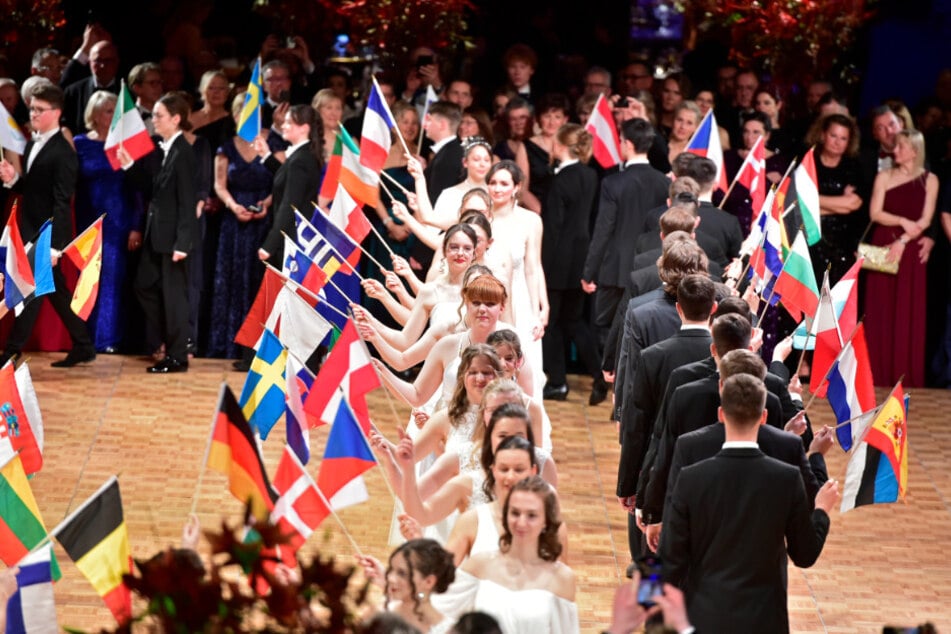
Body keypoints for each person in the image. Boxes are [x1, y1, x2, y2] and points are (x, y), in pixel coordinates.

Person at [659, 373, 839, 632]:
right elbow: (804, 555)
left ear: (721, 414)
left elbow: (669, 563)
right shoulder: (787, 479)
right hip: (764, 620)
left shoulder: (690, 479)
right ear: (764, 417)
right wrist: (821, 510)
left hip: (704, 618)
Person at [0, 83, 96, 368]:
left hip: (45, 235)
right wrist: (11, 178)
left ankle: (11, 352)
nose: (33, 114)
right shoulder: (32, 143)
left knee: (30, 290)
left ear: (56, 112)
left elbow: (62, 202)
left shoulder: (64, 154)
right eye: (31, 108)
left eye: (39, 110)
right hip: (28, 226)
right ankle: (84, 344)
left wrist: (56, 245)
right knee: (53, 290)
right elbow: (30, 189)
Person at [432, 475, 580, 632]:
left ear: (545, 521)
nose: (521, 522)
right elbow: (439, 611)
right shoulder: (480, 564)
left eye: (531, 515)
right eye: (515, 513)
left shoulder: (563, 578)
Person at [119, 92, 198, 373]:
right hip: (157, 236)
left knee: (174, 298)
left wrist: (183, 242)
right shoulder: (163, 148)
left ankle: (177, 356)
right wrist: (129, 165)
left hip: (173, 240)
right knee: (143, 285)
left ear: (176, 119)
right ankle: (171, 339)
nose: (154, 120)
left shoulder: (184, 153)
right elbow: (154, 188)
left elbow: (188, 202)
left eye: (159, 116)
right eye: (153, 115)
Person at [582, 118, 670, 343]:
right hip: (652, 270)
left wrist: (589, 272)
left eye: (620, 140)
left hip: (615, 271)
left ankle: (608, 378)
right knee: (644, 335)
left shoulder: (613, 183)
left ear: (628, 144)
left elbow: (603, 230)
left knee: (607, 332)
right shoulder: (664, 183)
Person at [864, 129, 938, 387]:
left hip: (910, 251)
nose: (895, 151)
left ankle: (904, 376)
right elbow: (875, 213)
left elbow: (926, 220)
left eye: (901, 147)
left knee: (908, 311)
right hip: (883, 245)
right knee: (880, 310)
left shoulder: (930, 180)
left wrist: (903, 240)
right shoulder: (883, 176)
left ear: (915, 151)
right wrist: (902, 221)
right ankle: (876, 373)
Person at [207, 92, 278, 361]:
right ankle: (230, 344)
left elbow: (280, 179)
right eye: (240, 113)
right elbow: (219, 184)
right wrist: (233, 206)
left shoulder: (272, 143)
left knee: (258, 280)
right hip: (234, 223)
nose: (244, 118)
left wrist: (267, 204)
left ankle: (259, 347)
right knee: (232, 281)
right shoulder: (226, 147)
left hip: (264, 222)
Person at [541, 123, 605, 405]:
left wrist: (541, 265)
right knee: (575, 321)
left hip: (556, 262)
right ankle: (601, 376)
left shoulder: (560, 180)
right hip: (581, 259)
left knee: (551, 324)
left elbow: (553, 228)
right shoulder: (590, 175)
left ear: (561, 146)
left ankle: (557, 383)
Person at [72, 90, 136, 353]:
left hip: (118, 220)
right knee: (86, 278)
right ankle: (83, 337)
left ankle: (107, 340)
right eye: (109, 111)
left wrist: (136, 225)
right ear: (95, 115)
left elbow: (137, 190)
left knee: (111, 280)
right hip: (86, 219)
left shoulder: (126, 145)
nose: (113, 116)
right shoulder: (80, 143)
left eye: (116, 111)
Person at [485, 161, 547, 397]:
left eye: (503, 183)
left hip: (520, 299)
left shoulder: (531, 221)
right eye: (492, 183)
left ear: (516, 187)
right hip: (486, 298)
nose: (497, 188)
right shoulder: (481, 218)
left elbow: (533, 267)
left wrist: (540, 307)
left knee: (524, 365)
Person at [254, 104, 324, 266]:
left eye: (288, 123)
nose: (283, 126)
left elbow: (289, 204)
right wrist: (266, 155)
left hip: (293, 240)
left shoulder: (300, 160)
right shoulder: (303, 155)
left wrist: (270, 244)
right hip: (295, 236)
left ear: (304, 128)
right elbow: (289, 179)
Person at [806, 113, 866, 285]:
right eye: (833, 135)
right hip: (810, 237)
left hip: (842, 243)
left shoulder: (853, 167)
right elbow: (798, 202)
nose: (837, 142)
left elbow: (853, 204)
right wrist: (840, 204)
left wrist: (812, 201)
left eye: (843, 138)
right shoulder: (810, 161)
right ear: (823, 134)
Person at [357, 539, 456, 633]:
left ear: (429, 582)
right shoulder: (376, 614)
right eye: (391, 569)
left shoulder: (450, 630)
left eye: (402, 573)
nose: (390, 578)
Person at [62, 40, 120, 135]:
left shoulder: (128, 92)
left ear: (117, 62)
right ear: (89, 62)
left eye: (108, 61)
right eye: (98, 60)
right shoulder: (73, 92)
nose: (102, 65)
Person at [524, 93, 570, 212]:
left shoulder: (571, 146)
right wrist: (542, 212)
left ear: (565, 120)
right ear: (539, 118)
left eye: (557, 117)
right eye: (547, 116)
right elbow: (522, 189)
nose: (551, 122)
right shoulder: (526, 147)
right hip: (537, 212)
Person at [664, 101, 701, 170]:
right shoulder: (658, 146)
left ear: (696, 127)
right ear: (672, 120)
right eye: (679, 120)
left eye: (689, 123)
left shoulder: (697, 156)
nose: (683, 126)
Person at [310, 88, 344, 163]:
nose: (334, 113)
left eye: (338, 108)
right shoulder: (308, 140)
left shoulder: (349, 142)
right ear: (317, 111)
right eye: (329, 108)